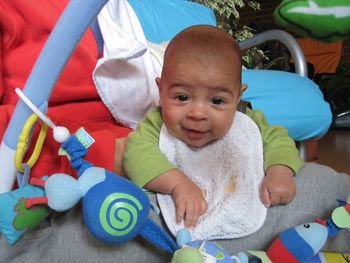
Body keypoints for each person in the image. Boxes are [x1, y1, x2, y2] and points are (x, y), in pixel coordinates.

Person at [123, 25, 303, 231]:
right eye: (182, 97)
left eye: (217, 101)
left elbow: (278, 140)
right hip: (178, 217)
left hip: (243, 203)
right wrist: (177, 183)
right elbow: (136, 155)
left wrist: (279, 172)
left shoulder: (245, 121)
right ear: (161, 90)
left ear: (237, 97)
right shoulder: (157, 123)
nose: (197, 113)